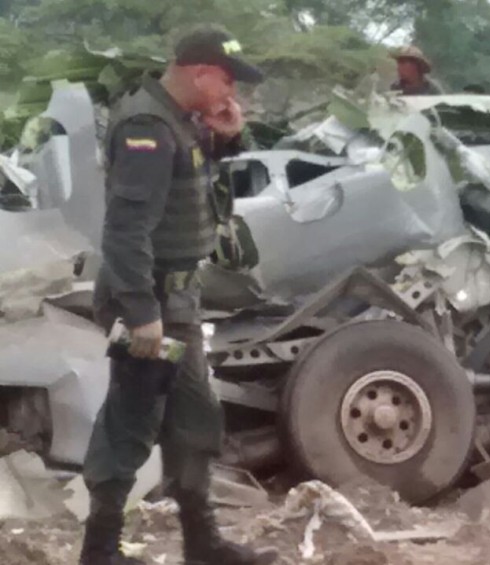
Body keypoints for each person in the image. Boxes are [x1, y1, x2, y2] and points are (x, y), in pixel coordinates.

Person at [79, 26, 278, 565]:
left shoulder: (179, 121)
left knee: (193, 418)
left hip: (178, 306)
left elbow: (187, 192)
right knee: (133, 417)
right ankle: (99, 551)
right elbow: (125, 230)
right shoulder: (147, 127)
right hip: (149, 305)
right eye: (228, 81)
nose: (233, 92)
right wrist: (142, 314)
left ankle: (203, 543)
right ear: (199, 73)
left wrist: (224, 137)